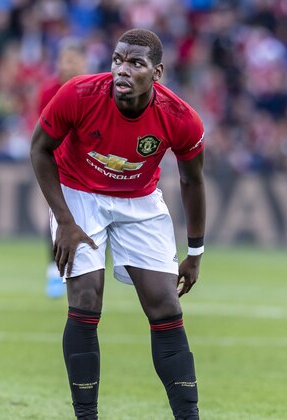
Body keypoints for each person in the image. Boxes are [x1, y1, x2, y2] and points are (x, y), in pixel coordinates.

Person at [30, 28, 205, 419]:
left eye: (135, 63)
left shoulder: (180, 118)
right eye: (117, 60)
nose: (122, 70)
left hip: (139, 200)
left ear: (156, 74)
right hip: (79, 193)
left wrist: (194, 251)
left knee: (165, 306)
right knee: (87, 297)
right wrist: (65, 220)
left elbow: (192, 180)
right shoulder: (78, 94)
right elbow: (39, 149)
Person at [35, 38, 88, 299]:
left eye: (71, 61)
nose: (66, 66)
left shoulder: (93, 90)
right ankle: (55, 271)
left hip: (89, 166)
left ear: (83, 63)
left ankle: (88, 269)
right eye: (63, 60)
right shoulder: (49, 91)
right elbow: (42, 132)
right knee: (58, 217)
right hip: (59, 165)